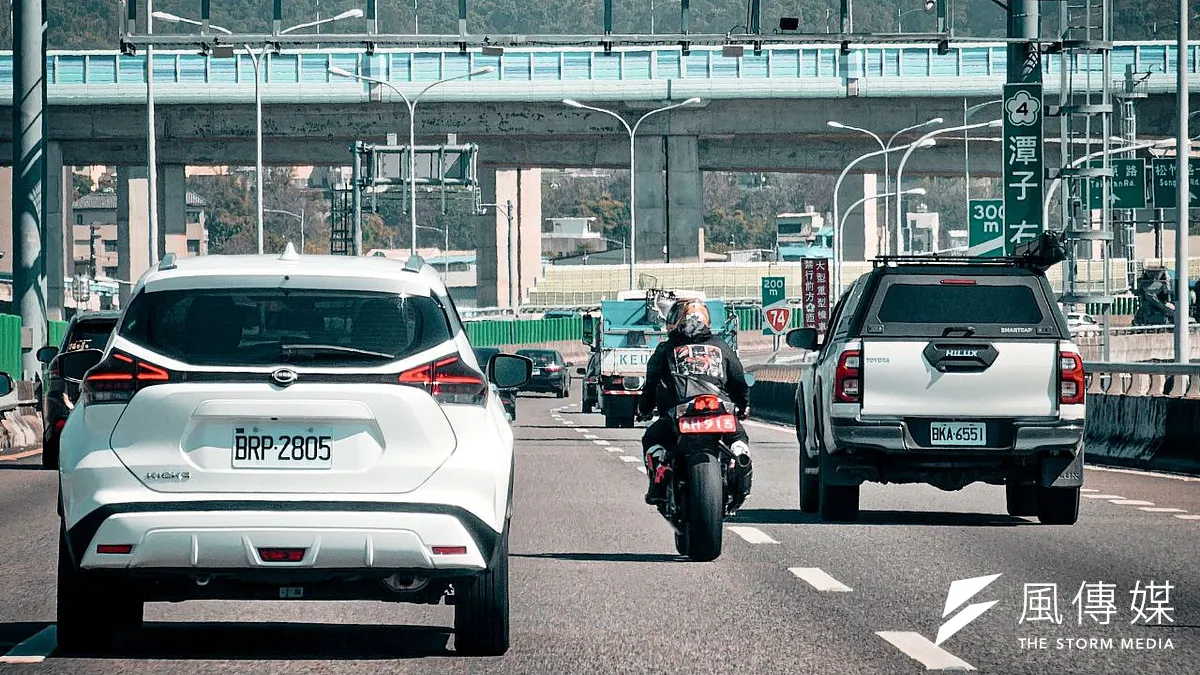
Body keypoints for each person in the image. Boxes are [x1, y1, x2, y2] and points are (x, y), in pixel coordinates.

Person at [636, 298, 751, 504]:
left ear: (676, 320)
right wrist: (743, 405)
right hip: (719, 409)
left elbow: (651, 383)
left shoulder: (666, 348)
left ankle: (660, 476)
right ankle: (741, 460)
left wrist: (644, 408)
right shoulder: (721, 347)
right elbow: (739, 381)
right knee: (739, 437)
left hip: (679, 412)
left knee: (652, 438)